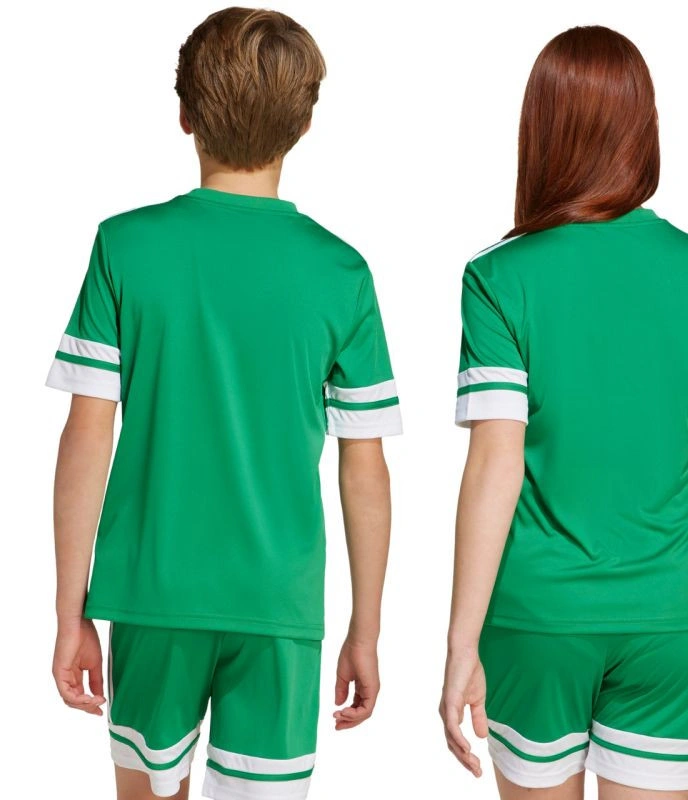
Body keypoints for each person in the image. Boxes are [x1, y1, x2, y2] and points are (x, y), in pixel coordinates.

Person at [46, 8, 401, 800]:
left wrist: (71, 612)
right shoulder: (341, 273)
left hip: (153, 593)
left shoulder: (125, 247)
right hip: (280, 604)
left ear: (184, 113)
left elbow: (86, 437)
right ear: (304, 125)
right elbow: (365, 471)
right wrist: (365, 629)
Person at [440, 25, 688, 800]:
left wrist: (460, 644)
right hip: (671, 617)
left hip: (539, 617)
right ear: (644, 128)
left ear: (540, 130)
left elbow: (495, 467)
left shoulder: (497, 279)